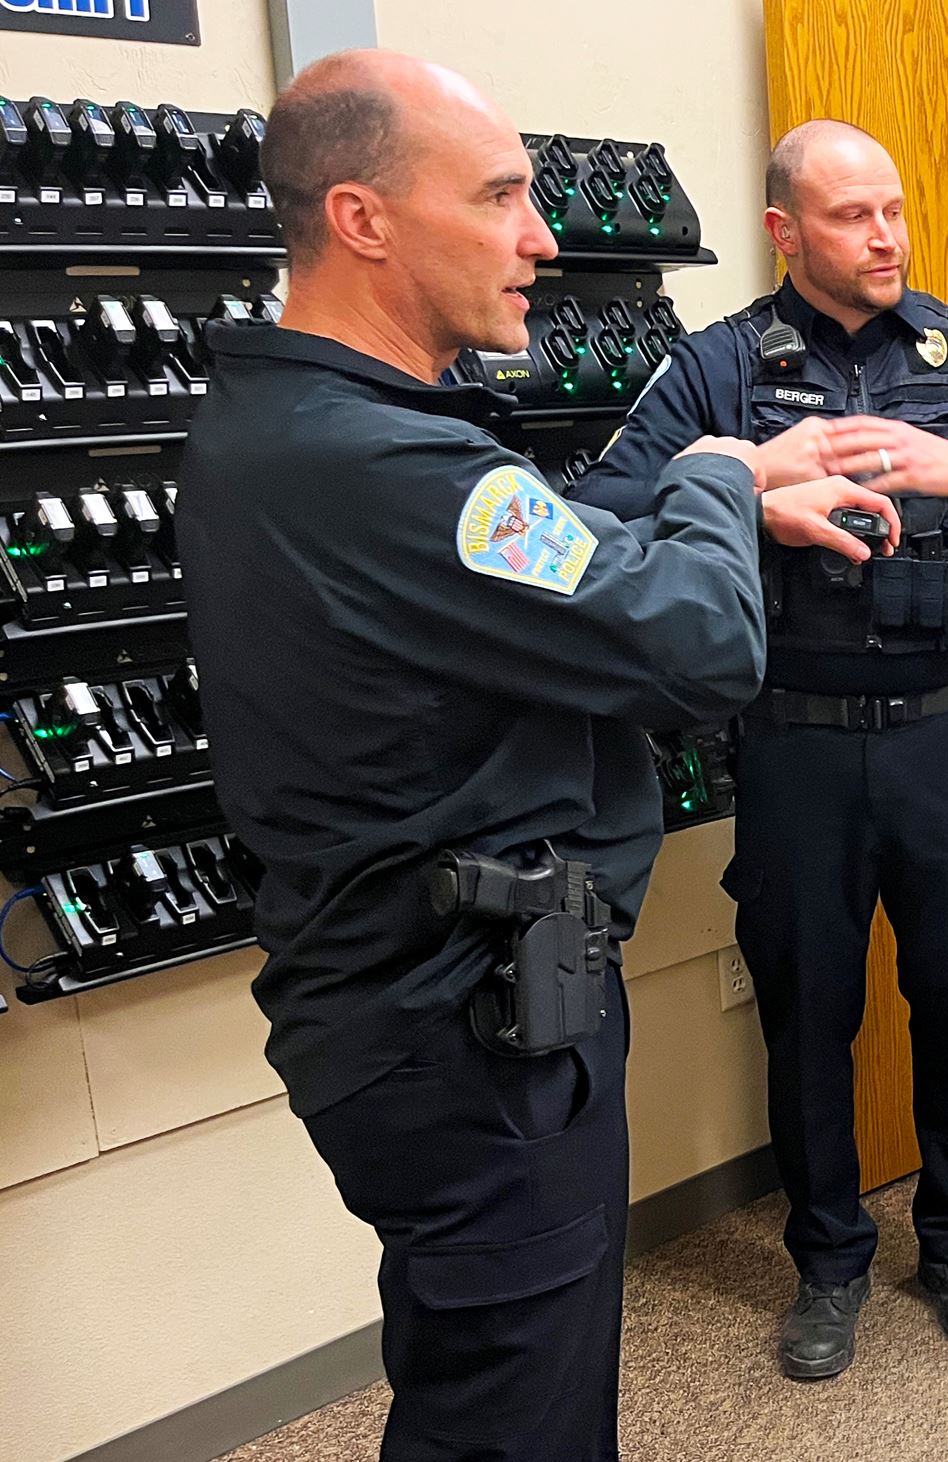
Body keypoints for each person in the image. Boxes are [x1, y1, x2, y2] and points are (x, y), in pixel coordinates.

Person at [178, 51, 785, 1461]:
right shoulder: (383, 465)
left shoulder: (301, 429)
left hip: (439, 1013)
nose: (543, 237)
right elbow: (702, 643)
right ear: (362, 218)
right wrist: (717, 480)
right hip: (467, 1038)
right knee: (513, 1414)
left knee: (503, 1380)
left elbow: (529, 566)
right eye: (501, 196)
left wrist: (709, 513)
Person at [573, 120, 948, 1379]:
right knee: (807, 1020)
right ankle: (826, 1260)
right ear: (784, 232)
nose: (886, 237)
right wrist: (749, 486)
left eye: (894, 209)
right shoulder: (717, 368)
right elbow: (595, 512)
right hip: (795, 752)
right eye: (850, 215)